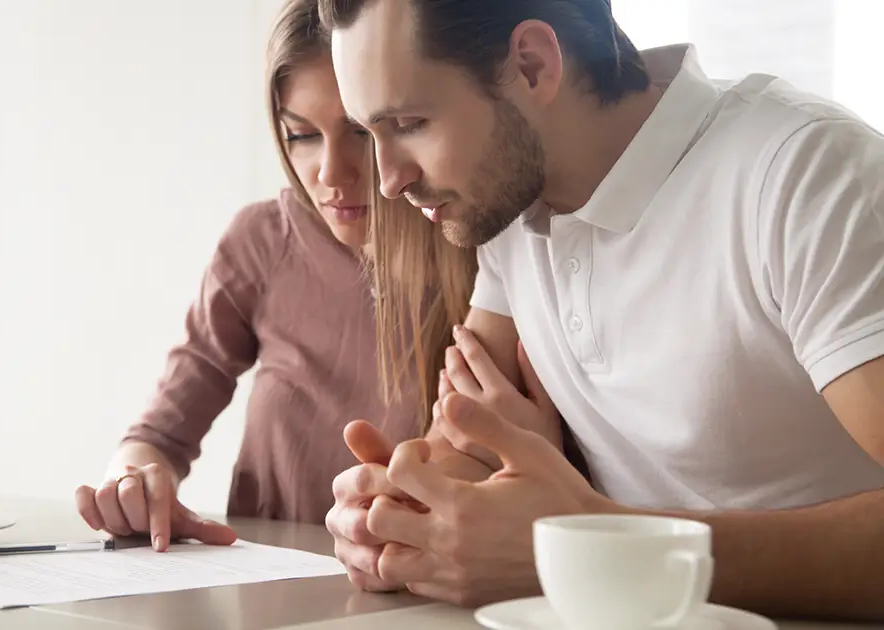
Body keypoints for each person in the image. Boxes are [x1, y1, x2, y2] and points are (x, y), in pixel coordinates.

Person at [318, 0, 884, 622]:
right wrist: (401, 513)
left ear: (532, 66)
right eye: (371, 133)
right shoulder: (511, 208)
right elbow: (467, 446)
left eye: (410, 121)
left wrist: (591, 541)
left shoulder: (805, 176)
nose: (387, 181)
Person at [73, 0, 478, 554]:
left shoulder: (483, 249)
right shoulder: (262, 241)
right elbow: (159, 434)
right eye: (301, 135)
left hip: (417, 585)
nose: (332, 175)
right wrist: (134, 479)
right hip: (268, 585)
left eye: (359, 132)